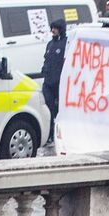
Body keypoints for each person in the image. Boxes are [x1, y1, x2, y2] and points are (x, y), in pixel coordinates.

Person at [40, 18, 67, 154]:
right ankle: (49, 134)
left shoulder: (65, 44)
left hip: (59, 83)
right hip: (48, 82)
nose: (53, 31)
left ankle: (60, 135)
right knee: (48, 110)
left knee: (58, 111)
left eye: (55, 28)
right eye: (52, 28)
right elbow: (46, 59)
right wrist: (44, 69)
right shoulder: (50, 44)